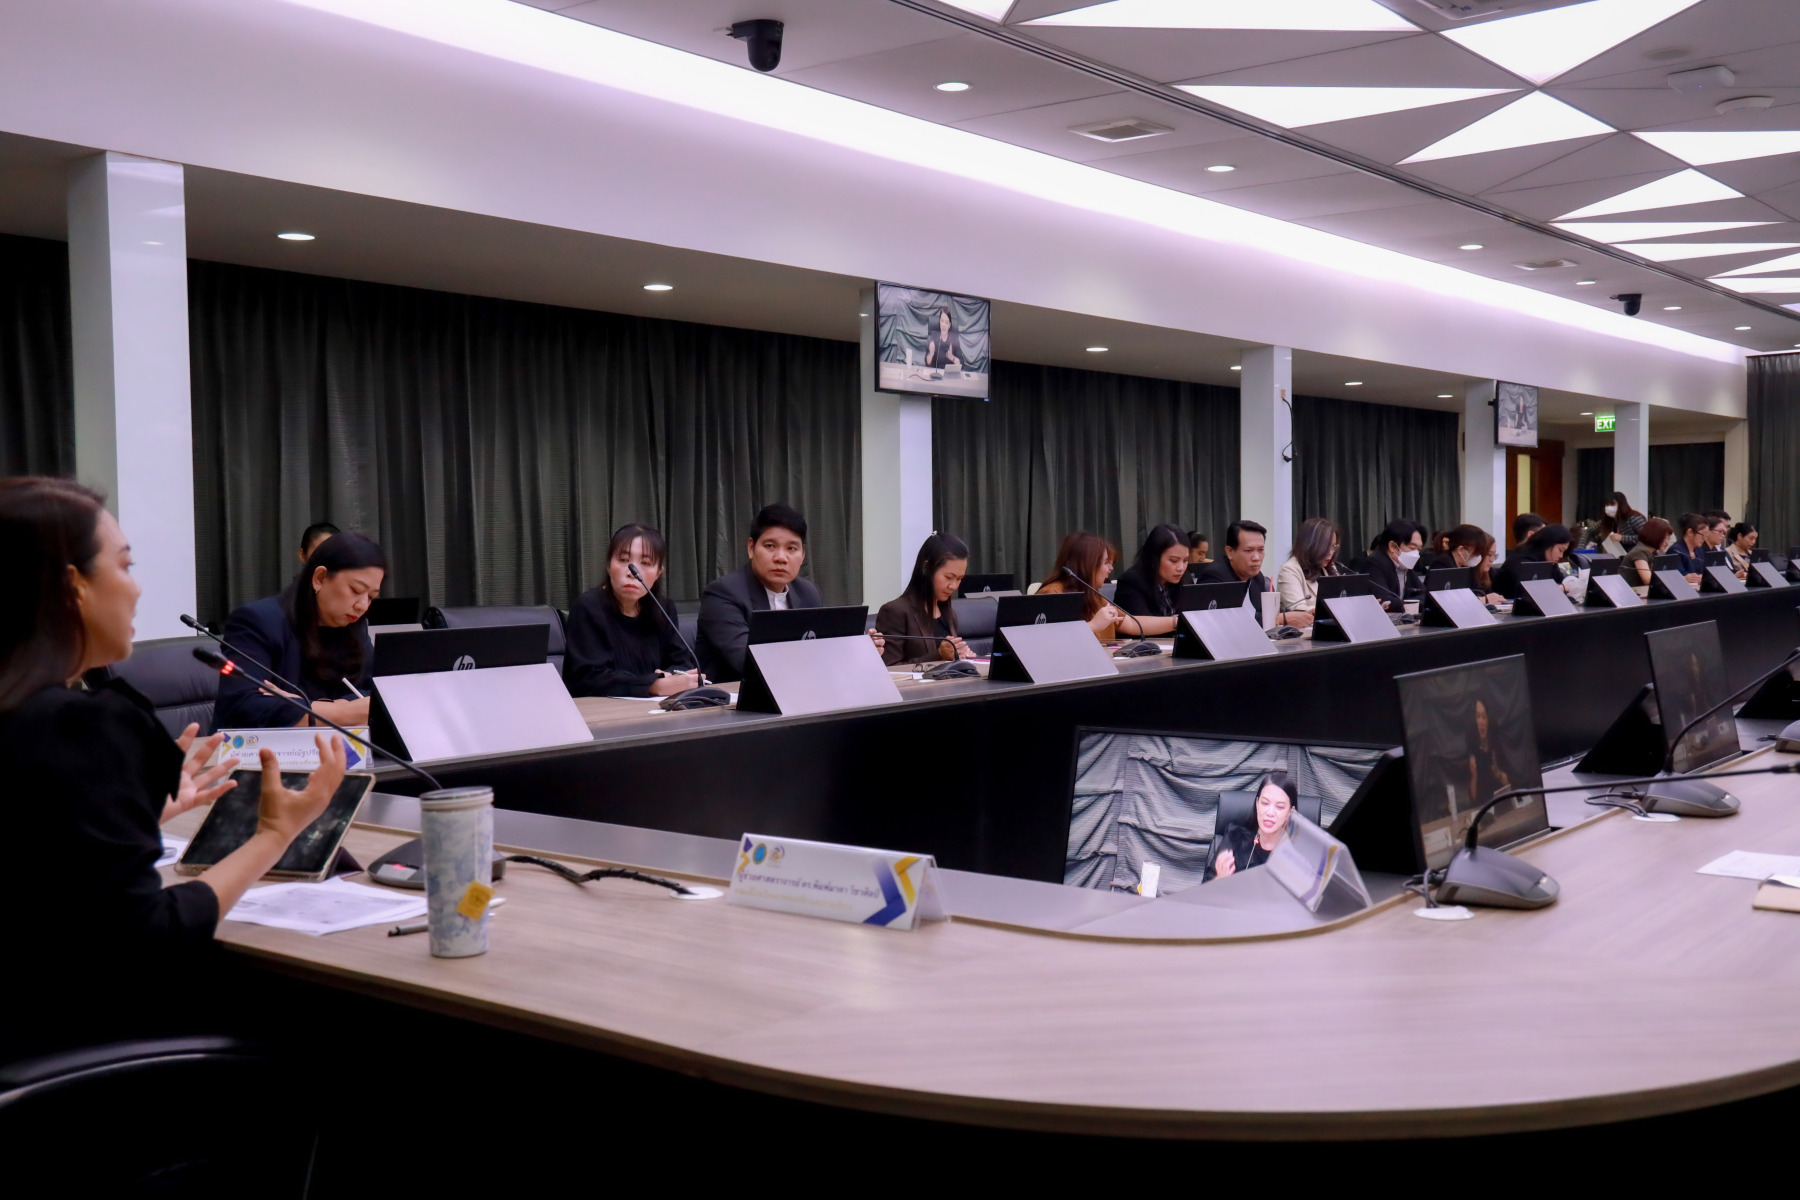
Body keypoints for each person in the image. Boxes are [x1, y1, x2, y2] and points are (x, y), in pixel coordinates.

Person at [0, 476, 347, 1060]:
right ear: (72, 587)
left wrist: (139, 813)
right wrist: (274, 834)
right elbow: (150, 937)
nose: (137, 589)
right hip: (76, 1051)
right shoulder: (79, 725)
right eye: (125, 565)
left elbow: (34, 865)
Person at [213, 530, 387, 729]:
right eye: (356, 590)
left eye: (371, 597)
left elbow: (377, 694)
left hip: (335, 745)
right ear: (320, 578)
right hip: (259, 747)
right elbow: (244, 706)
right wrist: (344, 712)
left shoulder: (355, 627)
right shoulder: (257, 621)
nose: (363, 606)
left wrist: (308, 707)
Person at [697, 504, 880, 683]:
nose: (781, 558)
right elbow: (749, 662)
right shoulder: (723, 594)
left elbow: (823, 648)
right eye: (770, 546)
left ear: (802, 556)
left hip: (798, 692)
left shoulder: (808, 592)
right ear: (751, 548)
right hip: (734, 698)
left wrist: (859, 650)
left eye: (791, 548)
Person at [563, 523, 701, 698]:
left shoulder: (663, 608)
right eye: (623, 560)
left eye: (646, 563)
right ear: (608, 565)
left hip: (656, 709)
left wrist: (671, 676)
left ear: (658, 573)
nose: (632, 572)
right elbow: (587, 679)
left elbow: (682, 664)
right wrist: (652, 685)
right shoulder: (588, 607)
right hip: (602, 710)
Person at [877, 533, 975, 665]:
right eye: (948, 577)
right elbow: (890, 668)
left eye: (959, 579)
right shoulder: (895, 611)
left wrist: (963, 656)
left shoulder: (949, 614)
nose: (954, 586)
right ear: (927, 569)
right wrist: (938, 655)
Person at [1206, 771, 1298, 882]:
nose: (1270, 813)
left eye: (1279, 807)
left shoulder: (1296, 855)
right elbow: (1204, 889)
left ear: (1290, 813)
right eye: (1265, 803)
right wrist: (1220, 879)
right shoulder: (1234, 839)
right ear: (1257, 804)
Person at [1037, 531, 1129, 641]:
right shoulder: (1052, 594)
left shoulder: (1093, 594)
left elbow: (1132, 623)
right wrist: (1093, 625)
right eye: (1106, 563)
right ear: (1087, 565)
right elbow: (1044, 639)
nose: (1111, 568)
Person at [1112, 523, 1192, 637]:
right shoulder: (1131, 582)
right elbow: (1137, 626)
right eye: (1174, 561)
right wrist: (1176, 622)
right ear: (1154, 558)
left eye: (1185, 561)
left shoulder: (1186, 579)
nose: (1181, 568)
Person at [1274, 517, 1339, 625]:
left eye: (1333, 547)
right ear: (1310, 545)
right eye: (1326, 547)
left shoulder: (1329, 567)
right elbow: (1299, 612)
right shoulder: (1289, 570)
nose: (1330, 553)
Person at [1428, 524, 1504, 606]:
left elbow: (1477, 591)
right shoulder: (1442, 564)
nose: (1478, 558)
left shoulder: (1468, 567)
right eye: (1476, 554)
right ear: (1461, 550)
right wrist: (1483, 600)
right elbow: (1444, 599)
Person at [1492, 523, 1573, 599]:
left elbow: (1563, 582)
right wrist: (1562, 588)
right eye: (1560, 550)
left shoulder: (1550, 563)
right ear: (1548, 543)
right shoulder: (1522, 560)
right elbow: (1531, 594)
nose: (1561, 556)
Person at [1364, 519, 1424, 608]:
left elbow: (1424, 594)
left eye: (1419, 549)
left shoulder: (1404, 564)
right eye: (1412, 548)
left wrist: (1411, 604)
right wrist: (1411, 605)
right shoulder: (1374, 563)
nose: (1416, 554)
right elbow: (1385, 600)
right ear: (1393, 546)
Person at [1467, 698, 1514, 810]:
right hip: (1482, 808)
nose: (1481, 721)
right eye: (1478, 717)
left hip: (1501, 805)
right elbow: (1473, 797)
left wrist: (1499, 774)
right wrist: (1474, 775)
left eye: (1484, 717)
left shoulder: (1495, 744)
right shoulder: (1471, 747)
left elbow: (1507, 785)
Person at [1620, 517, 1675, 587]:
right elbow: (1648, 579)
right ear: (1655, 535)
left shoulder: (1653, 552)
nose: (1667, 542)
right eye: (1665, 538)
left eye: (1668, 539)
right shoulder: (1640, 551)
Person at [1671, 512, 1708, 583]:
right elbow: (1679, 575)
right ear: (1690, 532)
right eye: (1703, 535)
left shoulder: (1699, 550)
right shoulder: (1676, 550)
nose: (1704, 539)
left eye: (1706, 536)